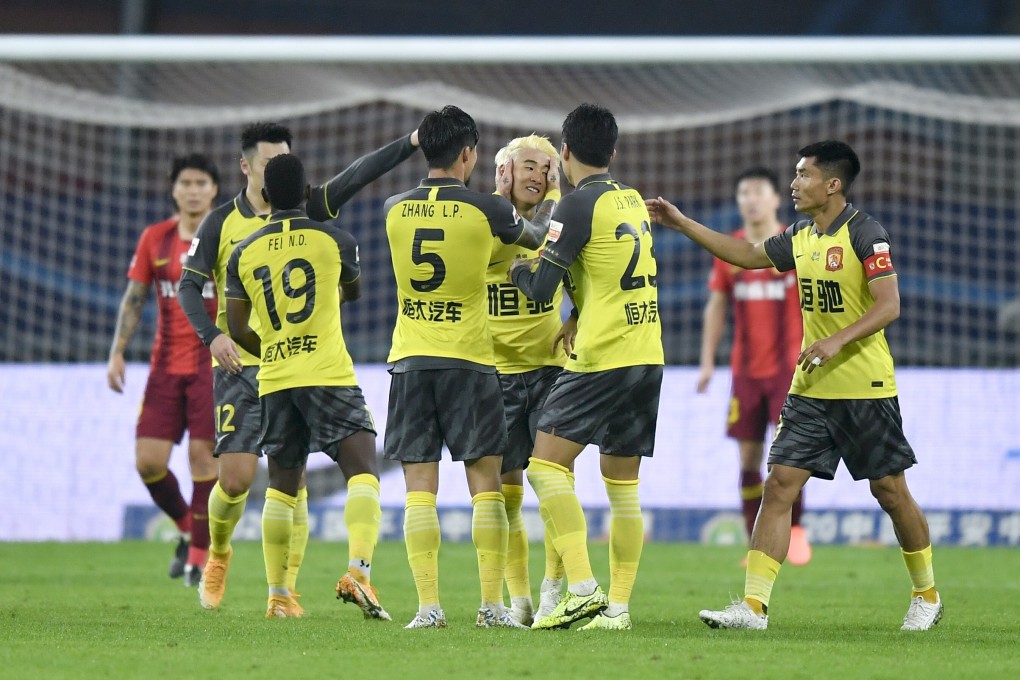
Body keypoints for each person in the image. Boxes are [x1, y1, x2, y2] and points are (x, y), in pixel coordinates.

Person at [646, 140, 943, 632]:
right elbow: (744, 254)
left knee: (890, 491)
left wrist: (837, 340)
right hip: (810, 391)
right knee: (779, 485)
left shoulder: (867, 234)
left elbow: (889, 305)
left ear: (833, 184)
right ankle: (754, 607)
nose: (794, 183)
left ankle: (926, 594)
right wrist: (683, 224)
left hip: (865, 387)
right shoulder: (801, 234)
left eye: (803, 175)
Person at [178, 121, 420, 613]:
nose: (272, 167)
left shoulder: (304, 213)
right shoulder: (223, 222)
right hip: (241, 363)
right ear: (247, 168)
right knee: (237, 479)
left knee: (291, 480)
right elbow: (188, 286)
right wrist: (215, 335)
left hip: (275, 365)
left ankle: (283, 591)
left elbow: (358, 174)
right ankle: (219, 553)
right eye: (266, 160)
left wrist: (410, 144)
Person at [383, 105, 553, 630]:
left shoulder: (393, 208)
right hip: (472, 362)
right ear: (468, 155)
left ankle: (428, 608)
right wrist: (555, 185)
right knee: (487, 485)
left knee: (419, 490)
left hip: (410, 361)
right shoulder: (488, 211)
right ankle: (491, 607)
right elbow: (539, 233)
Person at [510, 103, 664, 631]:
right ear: (613, 153)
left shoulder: (572, 209)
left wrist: (516, 267)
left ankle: (581, 588)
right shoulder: (632, 201)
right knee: (623, 489)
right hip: (647, 352)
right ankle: (617, 609)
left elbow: (537, 291)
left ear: (565, 153)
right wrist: (578, 310)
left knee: (545, 467)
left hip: (602, 357)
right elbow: (607, 270)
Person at [224, 153, 388, 620]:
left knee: (281, 484)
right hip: (328, 372)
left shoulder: (244, 251)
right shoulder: (335, 238)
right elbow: (352, 292)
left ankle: (278, 596)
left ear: (267, 196)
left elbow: (237, 328)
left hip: (275, 378)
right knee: (362, 468)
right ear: (309, 192)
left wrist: (276, 346)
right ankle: (358, 572)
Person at [106, 153, 220, 587]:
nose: (193, 190)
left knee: (201, 460)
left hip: (213, 367)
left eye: (201, 182)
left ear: (214, 189)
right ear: (173, 189)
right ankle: (189, 528)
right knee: (148, 462)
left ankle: (197, 560)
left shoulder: (225, 235)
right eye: (185, 182)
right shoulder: (155, 238)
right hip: (164, 368)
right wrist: (117, 351)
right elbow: (134, 297)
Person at [698, 167, 811, 566]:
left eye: (759, 191)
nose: (751, 199)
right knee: (748, 459)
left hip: (790, 371)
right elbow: (716, 306)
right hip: (745, 373)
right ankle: (756, 542)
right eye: (744, 191)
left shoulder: (797, 244)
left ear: (776, 199)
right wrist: (708, 361)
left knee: (789, 457)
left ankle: (795, 534)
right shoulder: (731, 253)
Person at [487, 134, 569, 625]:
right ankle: (517, 598)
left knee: (555, 482)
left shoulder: (562, 222)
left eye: (547, 169)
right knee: (505, 492)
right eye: (529, 167)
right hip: (494, 371)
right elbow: (526, 232)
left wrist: (576, 311)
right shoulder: (482, 219)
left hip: (550, 368)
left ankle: (553, 588)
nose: (538, 175)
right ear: (505, 173)